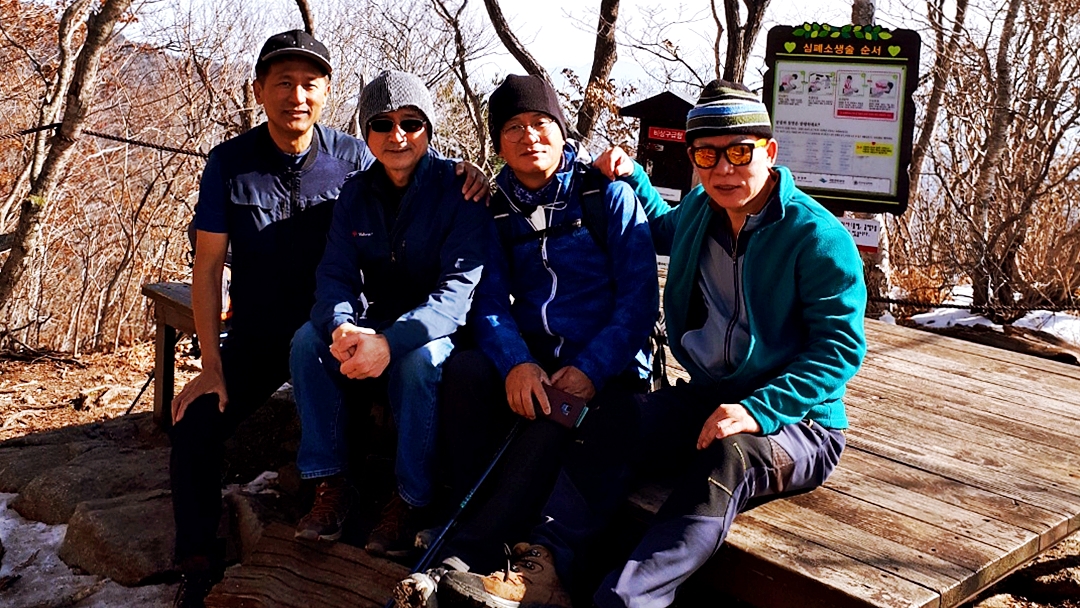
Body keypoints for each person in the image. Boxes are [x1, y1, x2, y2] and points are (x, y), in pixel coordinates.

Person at [436, 80, 867, 608]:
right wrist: (633, 174)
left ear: (769, 151)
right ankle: (546, 570)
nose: (723, 169)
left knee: (728, 456)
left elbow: (839, 349)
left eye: (739, 152)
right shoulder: (701, 214)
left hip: (800, 423)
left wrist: (758, 410)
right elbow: (657, 228)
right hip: (709, 396)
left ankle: (628, 599)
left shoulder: (817, 237)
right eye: (707, 155)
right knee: (611, 422)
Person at [169, 32, 485, 608]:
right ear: (259, 90)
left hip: (353, 330)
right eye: (282, 83)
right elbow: (208, 266)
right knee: (194, 427)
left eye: (309, 84)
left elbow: (410, 164)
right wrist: (210, 364)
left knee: (388, 378)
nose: (296, 95)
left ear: (326, 93)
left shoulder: (355, 157)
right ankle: (197, 565)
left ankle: (380, 501)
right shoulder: (230, 164)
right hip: (269, 334)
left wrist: (469, 171)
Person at [407, 74, 658, 587]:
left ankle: (467, 551)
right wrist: (516, 362)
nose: (529, 137)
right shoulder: (495, 208)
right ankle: (466, 510)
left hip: (609, 369)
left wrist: (590, 369)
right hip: (538, 358)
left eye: (541, 123)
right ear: (499, 142)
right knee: (466, 372)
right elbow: (488, 301)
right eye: (513, 127)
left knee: (551, 416)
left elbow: (639, 303)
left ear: (562, 131)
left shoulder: (606, 196)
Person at [289, 69, 492, 559]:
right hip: (373, 321)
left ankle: (411, 499)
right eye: (382, 123)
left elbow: (456, 295)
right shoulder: (356, 194)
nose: (397, 135)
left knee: (419, 362)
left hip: (437, 330)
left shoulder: (459, 191)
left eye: (411, 122)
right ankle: (332, 484)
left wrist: (390, 343)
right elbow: (335, 274)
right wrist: (341, 325)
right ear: (366, 132)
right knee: (307, 342)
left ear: (428, 128)